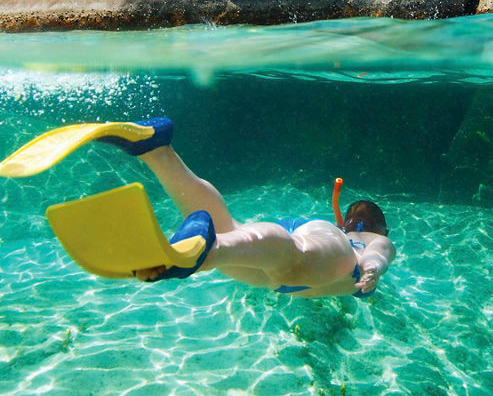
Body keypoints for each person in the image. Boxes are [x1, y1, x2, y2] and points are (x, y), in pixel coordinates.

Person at [114, 118, 396, 298]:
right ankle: (208, 249)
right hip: (330, 256)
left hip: (284, 270)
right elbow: (377, 254)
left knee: (228, 232)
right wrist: (372, 269)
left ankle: (157, 151)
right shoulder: (372, 239)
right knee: (292, 253)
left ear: (345, 221)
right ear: (381, 228)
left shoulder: (340, 234)